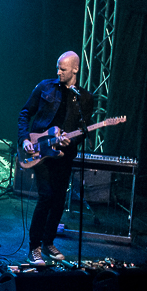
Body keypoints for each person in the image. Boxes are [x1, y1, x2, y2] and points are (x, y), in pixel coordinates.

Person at [17, 51, 95, 265]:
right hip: (39, 150)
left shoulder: (85, 98)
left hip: (64, 155)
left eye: (63, 69)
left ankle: (48, 242)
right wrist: (24, 139)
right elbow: (25, 113)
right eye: (58, 68)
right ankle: (34, 247)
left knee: (59, 199)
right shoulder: (45, 87)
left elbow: (83, 130)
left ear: (75, 69)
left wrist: (73, 140)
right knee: (46, 196)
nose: (58, 72)